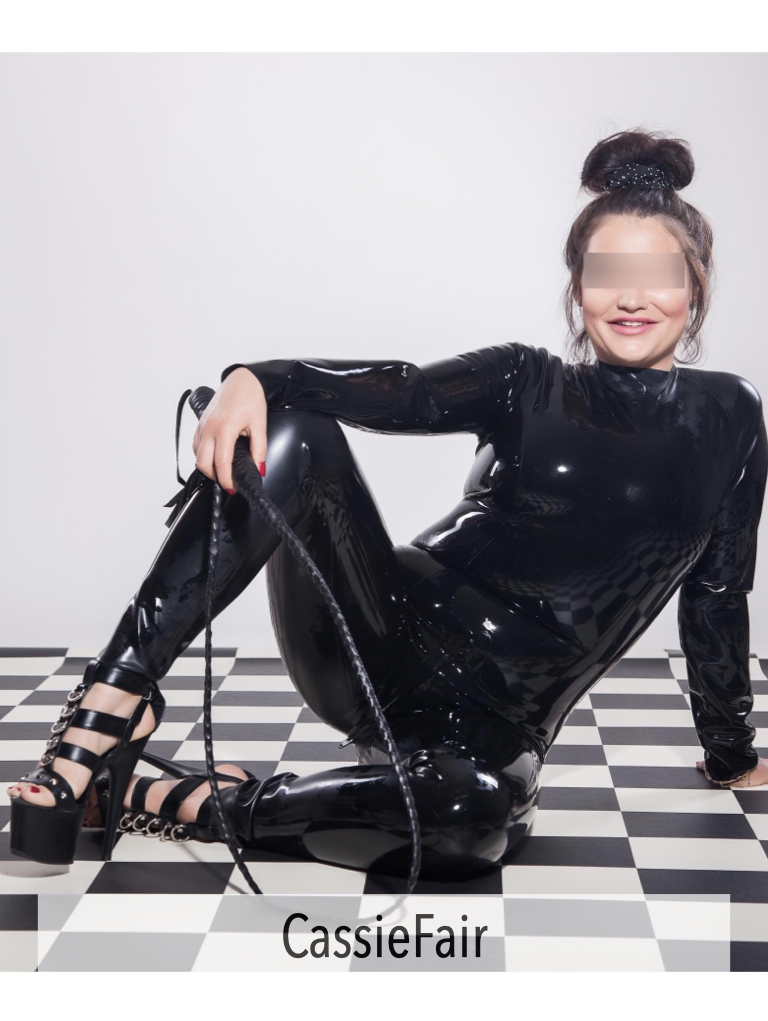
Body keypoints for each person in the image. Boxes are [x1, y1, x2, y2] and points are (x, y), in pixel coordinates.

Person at [8, 128, 768, 882]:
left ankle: (185, 800)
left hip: (493, 723)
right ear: (577, 289)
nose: (631, 297)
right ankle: (113, 700)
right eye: (606, 274)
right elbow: (404, 390)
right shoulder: (527, 380)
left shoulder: (732, 414)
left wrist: (730, 753)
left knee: (468, 820)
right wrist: (257, 377)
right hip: (376, 630)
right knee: (293, 430)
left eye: (658, 274)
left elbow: (718, 594)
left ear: (696, 285)